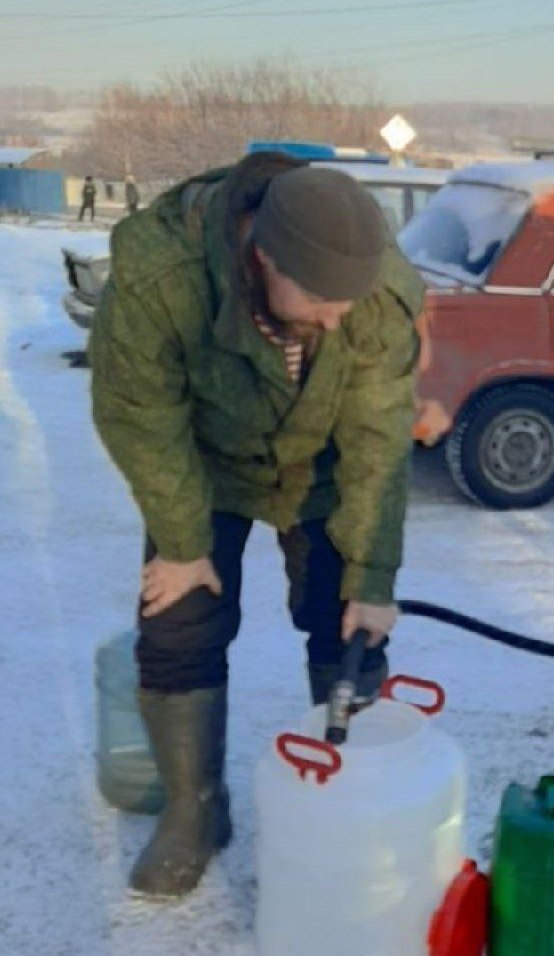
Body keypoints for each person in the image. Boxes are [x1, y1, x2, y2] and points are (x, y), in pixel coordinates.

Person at [89, 152, 422, 898]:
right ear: (260, 254)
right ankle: (194, 811)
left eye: (350, 301)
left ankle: (348, 804)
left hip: (322, 464)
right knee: (179, 620)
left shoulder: (373, 292)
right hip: (201, 465)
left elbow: (376, 440)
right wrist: (182, 544)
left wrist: (372, 579)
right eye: (320, 301)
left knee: (349, 624)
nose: (339, 317)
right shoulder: (160, 273)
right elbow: (139, 415)